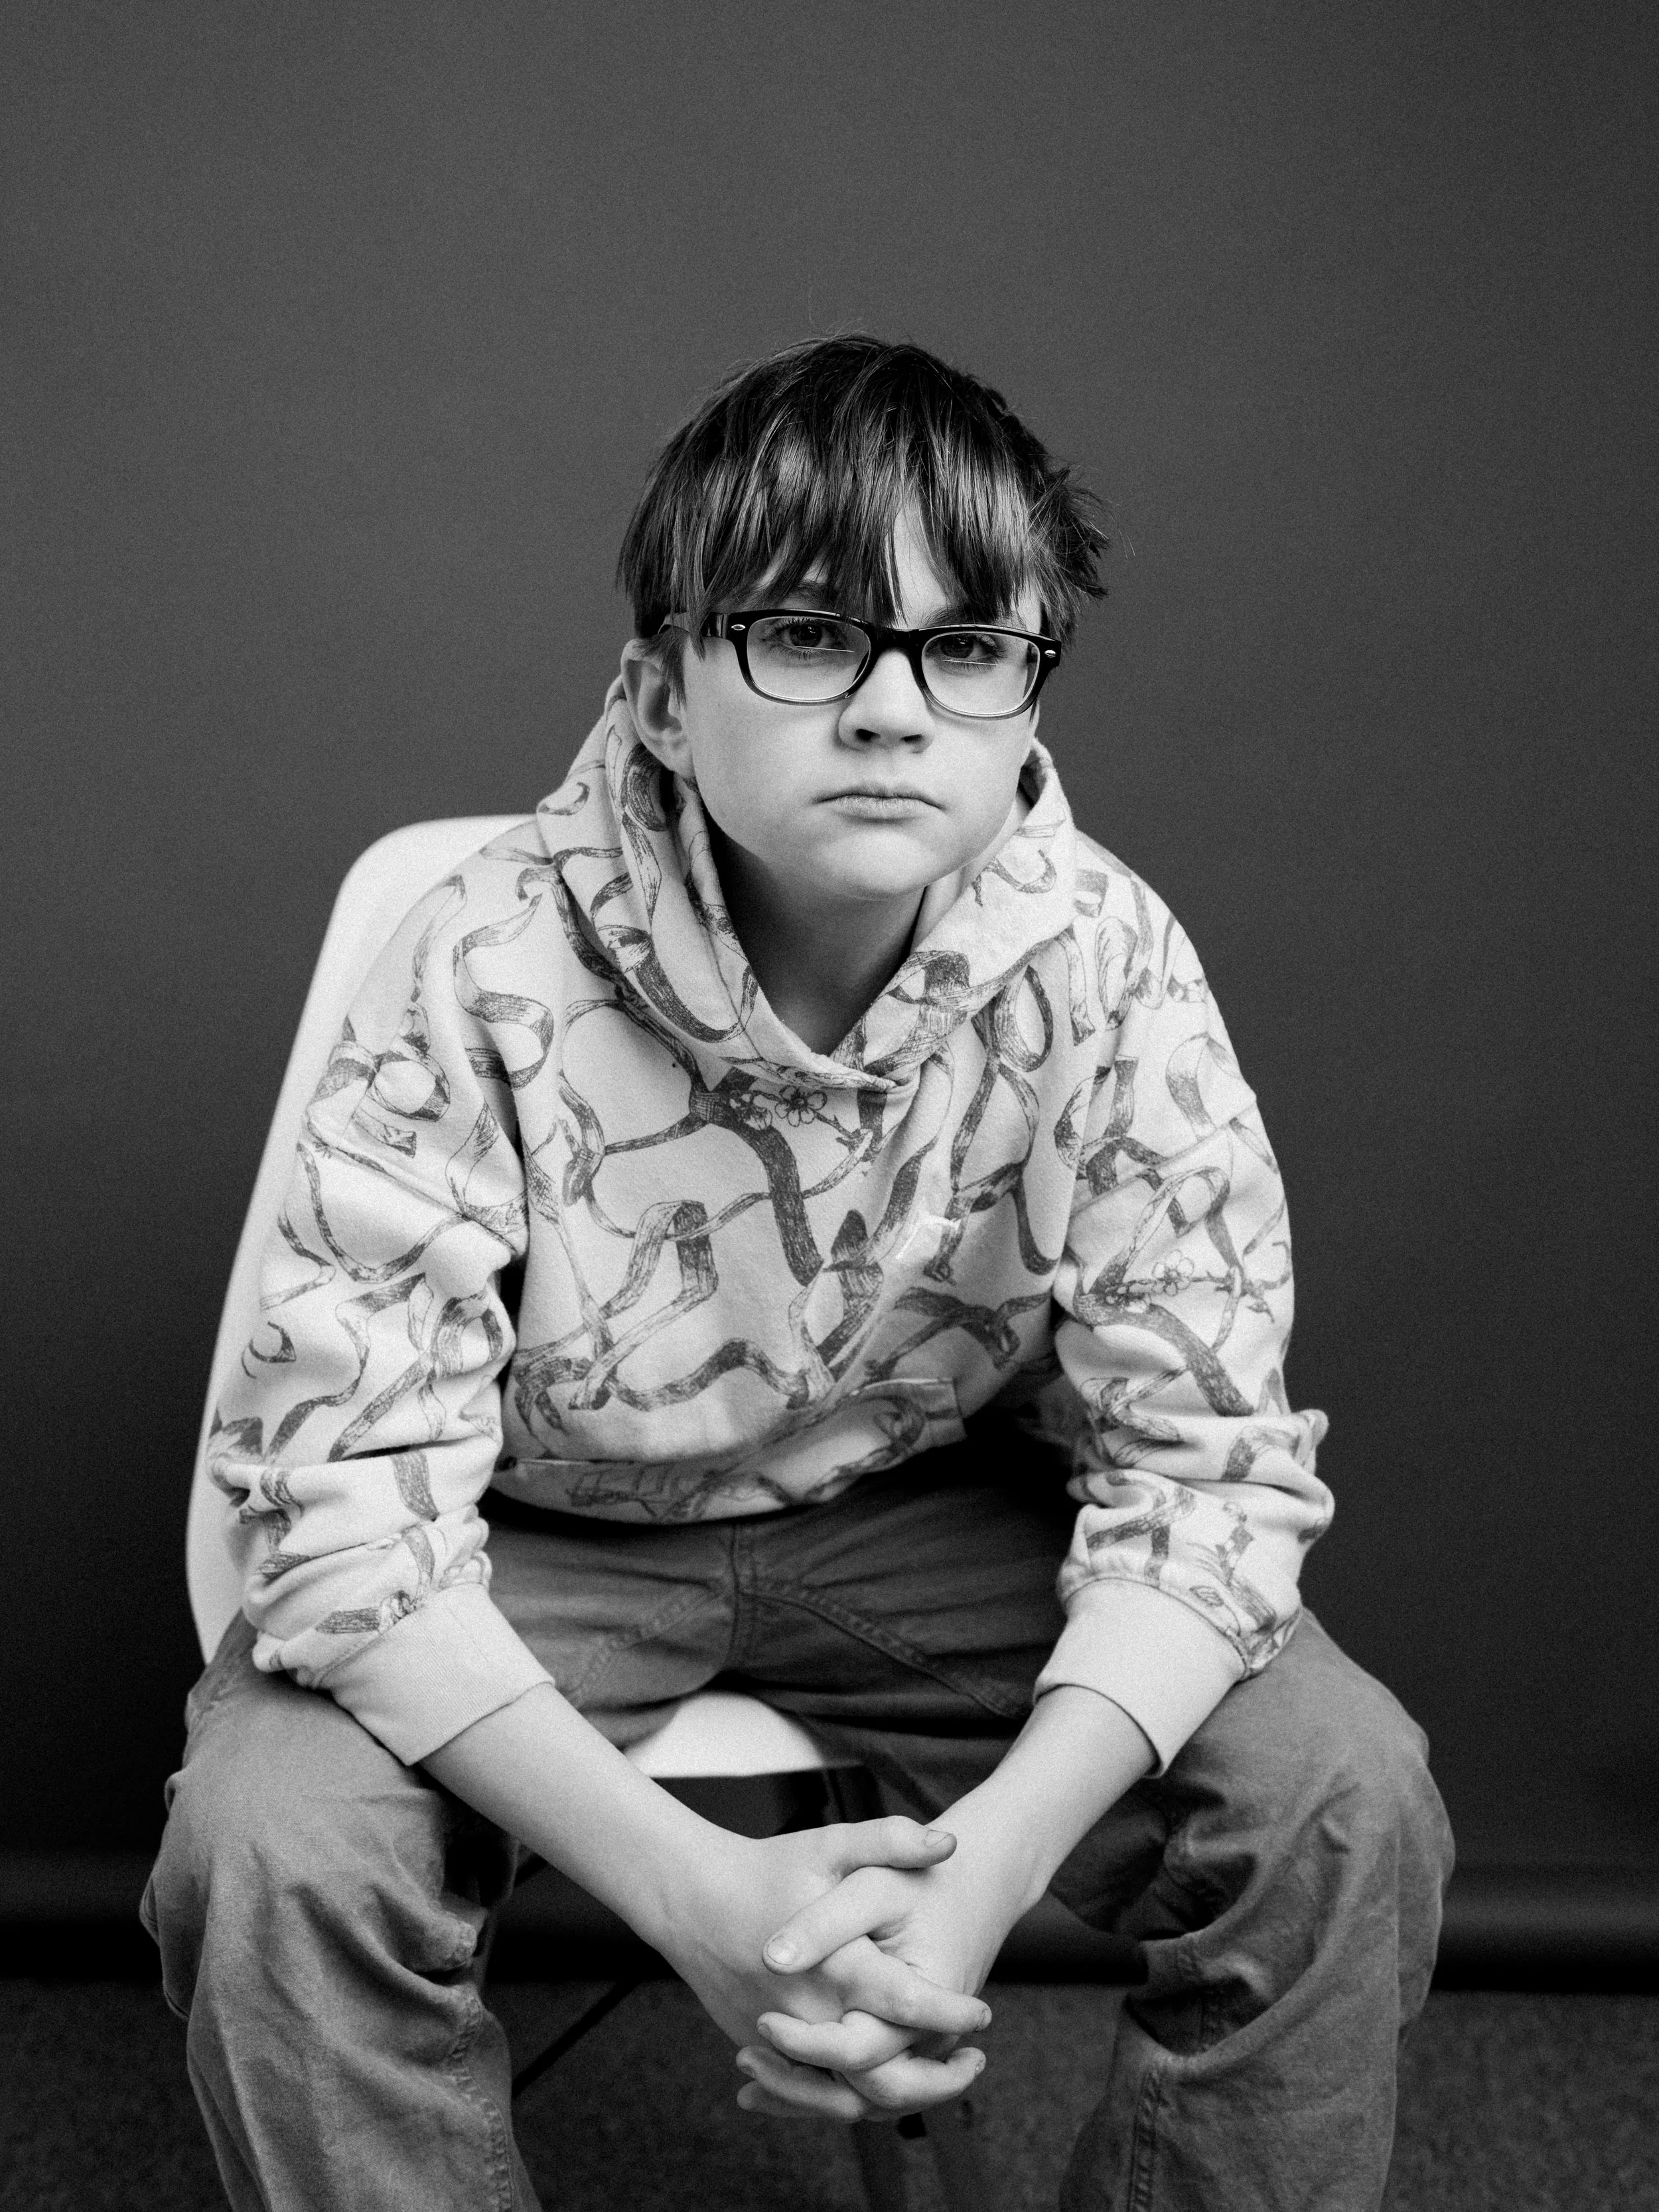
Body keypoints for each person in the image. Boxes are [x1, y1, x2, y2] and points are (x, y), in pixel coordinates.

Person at [144, 334, 1453, 2211]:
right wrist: (703, 1902)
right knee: (269, 1843)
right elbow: (342, 1510)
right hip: (536, 1528)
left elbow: (1201, 1476)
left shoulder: (1107, 963)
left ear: (1019, 697)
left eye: (965, 647)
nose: (891, 710)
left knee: (1340, 1786)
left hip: (921, 1507)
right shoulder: (478, 957)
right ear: (663, 685)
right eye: (808, 633)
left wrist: (985, 1870)